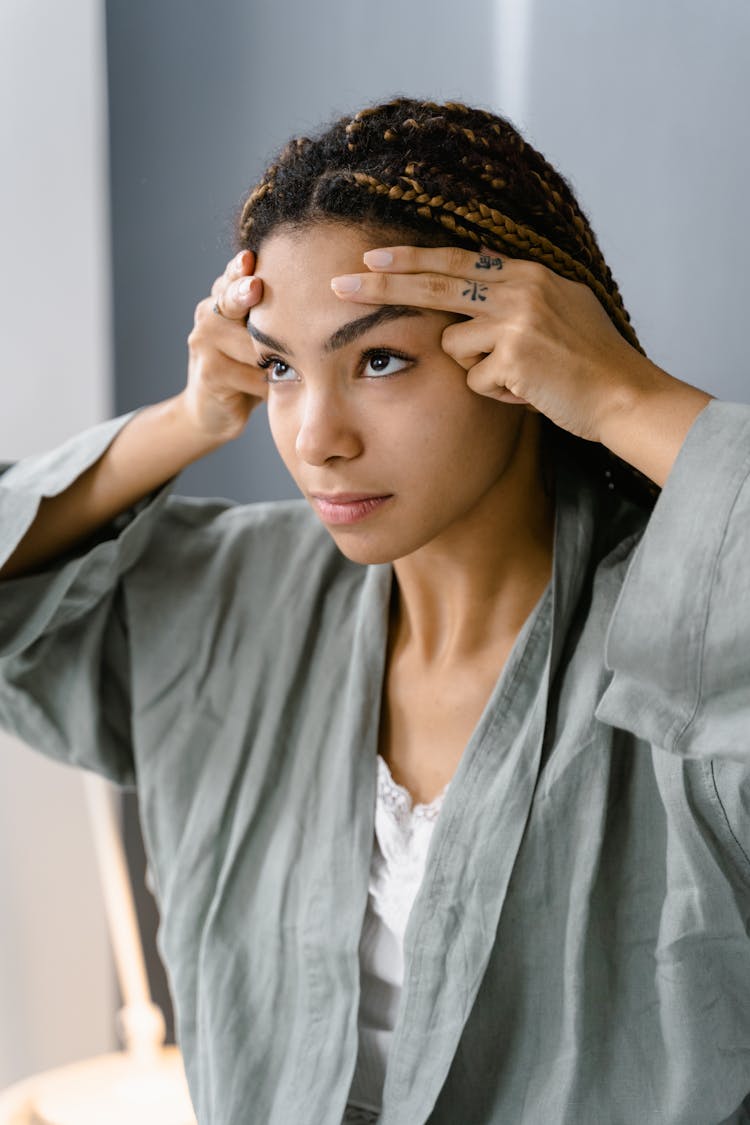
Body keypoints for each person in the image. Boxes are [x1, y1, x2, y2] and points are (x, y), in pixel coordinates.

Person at [0, 97, 748, 1125]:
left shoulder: (693, 629)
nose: (316, 437)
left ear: (515, 349)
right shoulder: (229, 607)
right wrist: (186, 420)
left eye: (379, 359)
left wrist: (619, 392)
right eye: (279, 369)